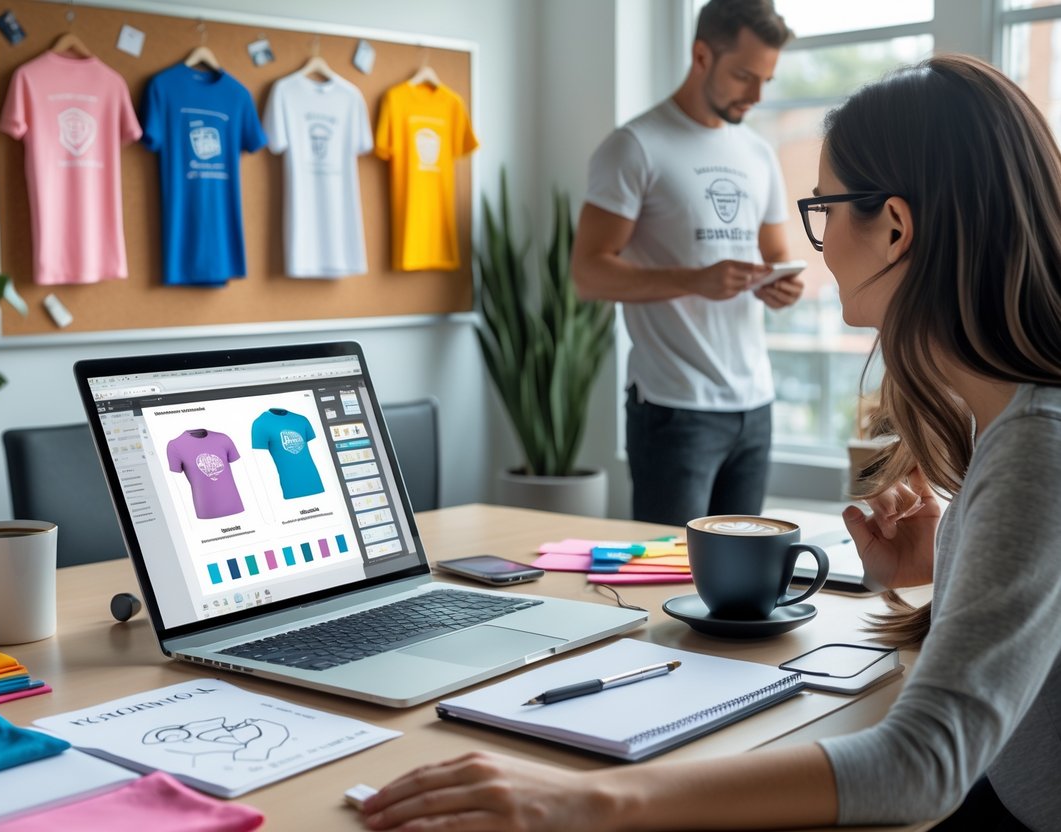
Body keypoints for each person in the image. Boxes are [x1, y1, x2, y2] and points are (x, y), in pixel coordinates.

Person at [359, 54, 1061, 831]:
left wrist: (583, 799)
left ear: (894, 228)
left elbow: (920, 767)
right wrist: (947, 568)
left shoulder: (1036, 447)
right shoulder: (1013, 417)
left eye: (824, 209)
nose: (820, 246)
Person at [571, 0, 804, 527]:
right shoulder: (634, 147)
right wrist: (695, 280)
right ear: (701, 56)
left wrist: (781, 286)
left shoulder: (759, 154)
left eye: (766, 79)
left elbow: (776, 256)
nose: (757, 95)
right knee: (672, 568)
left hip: (754, 405)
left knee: (744, 571)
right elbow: (588, 273)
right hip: (674, 408)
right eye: (744, 76)